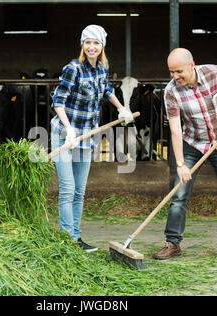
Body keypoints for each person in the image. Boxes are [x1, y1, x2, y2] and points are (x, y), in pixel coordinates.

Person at [153, 48, 217, 261]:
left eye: (179, 71)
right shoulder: (171, 92)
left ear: (192, 65)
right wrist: (180, 164)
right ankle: (172, 243)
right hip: (192, 144)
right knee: (179, 195)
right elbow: (176, 130)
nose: (175, 76)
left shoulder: (214, 73)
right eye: (171, 72)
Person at [50, 25, 134, 252]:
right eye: (87, 42)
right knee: (67, 189)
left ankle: (76, 238)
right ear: (82, 44)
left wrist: (121, 109)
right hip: (65, 135)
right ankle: (67, 240)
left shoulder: (102, 68)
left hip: (87, 136)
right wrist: (68, 130)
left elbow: (106, 90)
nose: (91, 47)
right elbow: (58, 101)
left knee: (80, 191)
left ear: (102, 46)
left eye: (96, 43)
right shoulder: (73, 68)